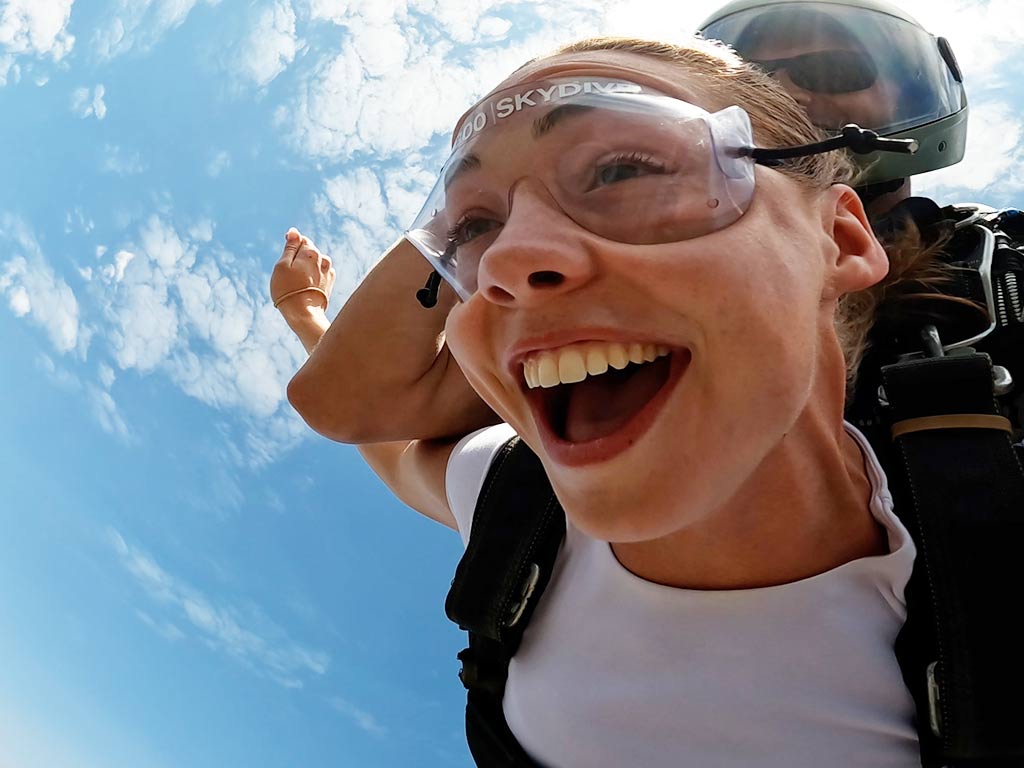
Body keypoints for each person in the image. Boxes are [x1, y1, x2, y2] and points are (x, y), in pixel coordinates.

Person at [270, 33, 993, 767]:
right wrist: (307, 314)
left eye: (623, 170)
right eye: (475, 228)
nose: (509, 262)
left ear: (840, 238)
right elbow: (355, 414)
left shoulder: (988, 532)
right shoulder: (518, 499)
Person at [699, 0, 968, 218]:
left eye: (832, 71)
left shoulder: (993, 255)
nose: (783, 94)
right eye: (749, 82)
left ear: (909, 94)